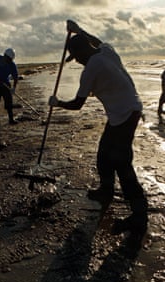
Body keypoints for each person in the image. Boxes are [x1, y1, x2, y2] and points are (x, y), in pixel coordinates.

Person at [49, 20, 148, 233]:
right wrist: (79, 30)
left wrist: (57, 103)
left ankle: (139, 215)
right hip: (128, 110)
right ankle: (106, 190)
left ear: (83, 51)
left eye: (77, 57)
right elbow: (97, 40)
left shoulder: (91, 69)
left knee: (122, 163)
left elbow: (77, 104)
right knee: (104, 154)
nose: (78, 62)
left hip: (124, 115)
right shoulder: (107, 51)